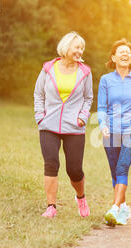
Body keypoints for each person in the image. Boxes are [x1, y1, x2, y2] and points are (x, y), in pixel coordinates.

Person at [33, 31, 93, 218]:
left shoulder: (85, 72)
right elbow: (39, 94)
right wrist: (40, 116)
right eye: (77, 47)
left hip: (74, 126)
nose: (79, 51)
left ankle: (80, 197)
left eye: (81, 48)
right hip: (48, 124)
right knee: (51, 164)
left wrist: (82, 117)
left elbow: (88, 97)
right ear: (66, 47)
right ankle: (51, 207)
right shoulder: (48, 68)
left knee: (74, 169)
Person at [98, 39, 131, 227]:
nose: (125, 54)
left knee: (122, 168)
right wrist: (102, 124)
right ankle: (124, 207)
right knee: (114, 171)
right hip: (110, 132)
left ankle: (114, 208)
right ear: (113, 57)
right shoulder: (105, 80)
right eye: (121, 52)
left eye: (128, 52)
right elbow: (101, 106)